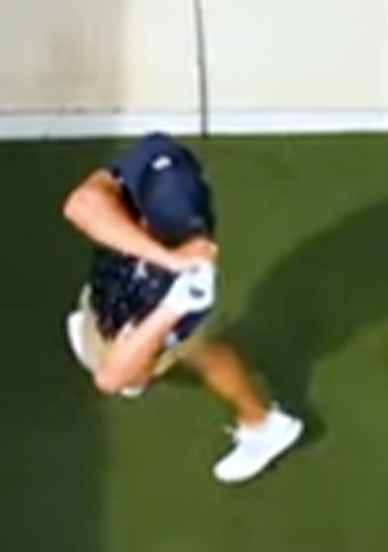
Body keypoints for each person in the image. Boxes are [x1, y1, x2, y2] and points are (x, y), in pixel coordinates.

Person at [61, 132, 302, 484]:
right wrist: (159, 254)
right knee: (180, 348)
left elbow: (110, 378)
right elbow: (80, 205)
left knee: (180, 355)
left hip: (153, 318)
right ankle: (107, 333)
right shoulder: (157, 158)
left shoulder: (185, 287)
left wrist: (169, 294)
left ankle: (263, 425)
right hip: (116, 290)